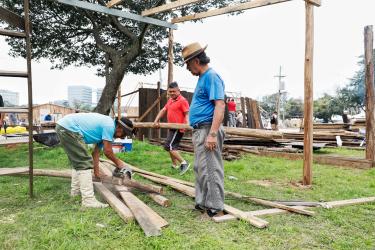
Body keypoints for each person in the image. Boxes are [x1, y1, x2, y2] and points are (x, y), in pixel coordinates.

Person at [182, 42, 225, 218]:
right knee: (201, 167)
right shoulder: (203, 77)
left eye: (188, 64)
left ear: (196, 61)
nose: (187, 68)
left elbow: (220, 105)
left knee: (211, 168)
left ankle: (215, 207)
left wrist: (213, 134)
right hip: (201, 129)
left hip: (208, 129)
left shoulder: (211, 76)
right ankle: (202, 203)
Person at [56, 113, 135, 208]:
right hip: (69, 128)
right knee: (84, 162)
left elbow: (96, 152)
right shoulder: (109, 126)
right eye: (124, 134)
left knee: (78, 162)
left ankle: (75, 192)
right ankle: (88, 201)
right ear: (119, 127)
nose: (122, 137)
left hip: (64, 126)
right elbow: (108, 152)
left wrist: (96, 172)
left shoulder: (107, 127)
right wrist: (120, 164)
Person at [153, 81, 191, 175]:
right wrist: (156, 120)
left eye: (174, 91)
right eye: (170, 91)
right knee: (172, 147)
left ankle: (184, 163)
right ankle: (174, 165)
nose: (172, 93)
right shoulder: (170, 100)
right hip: (171, 127)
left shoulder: (183, 100)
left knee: (168, 146)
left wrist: (187, 124)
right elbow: (164, 110)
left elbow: (187, 113)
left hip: (178, 128)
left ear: (178, 90)